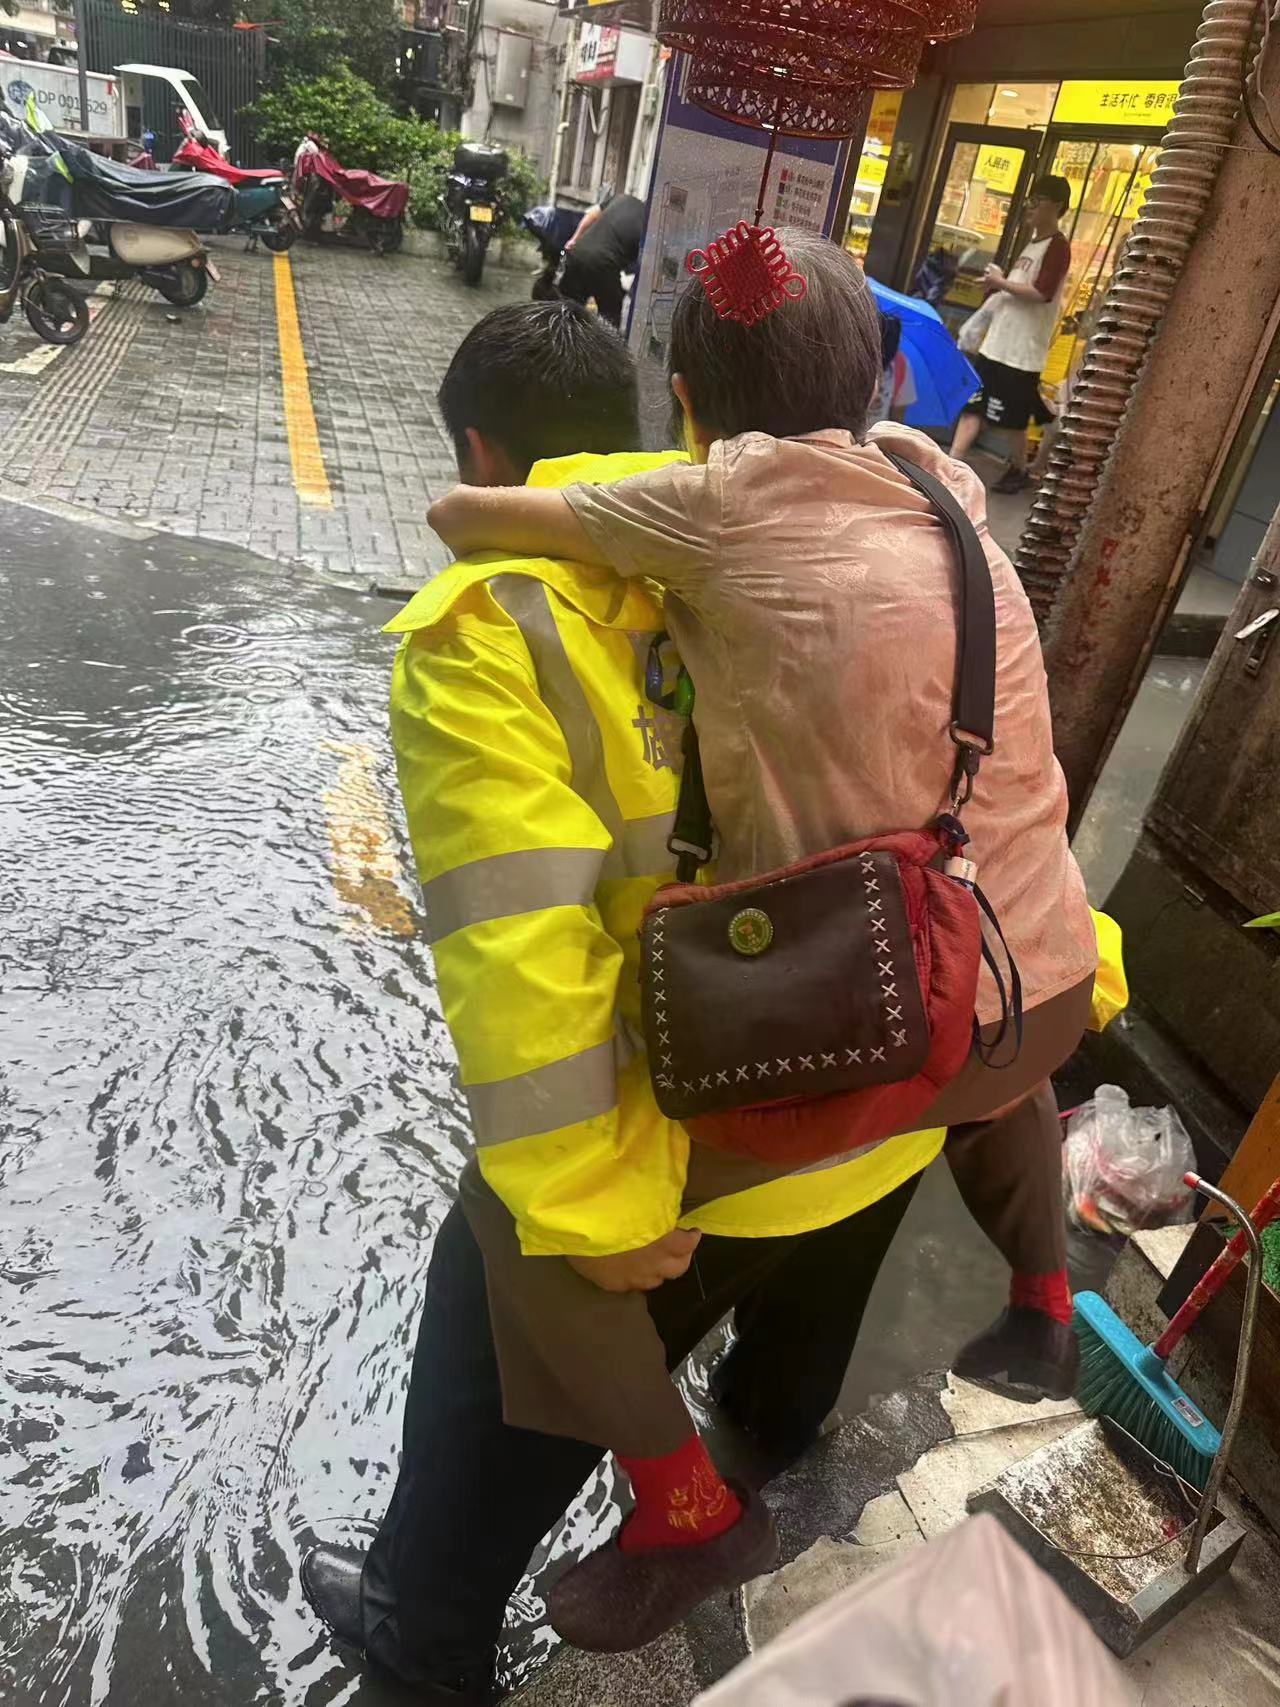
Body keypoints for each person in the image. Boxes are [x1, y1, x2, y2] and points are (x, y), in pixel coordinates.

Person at [299, 293, 1106, 1699]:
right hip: (918, 1056)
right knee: (793, 1354)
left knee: (504, 1289)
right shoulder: (931, 520)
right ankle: (779, 1444)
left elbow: (519, 955)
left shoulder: (497, 621)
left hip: (704, 1137)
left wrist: (586, 1205)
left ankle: (430, 1635)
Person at [949, 174, 1073, 495]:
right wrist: (997, 287)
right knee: (974, 406)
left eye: (1037, 201)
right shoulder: (1031, 243)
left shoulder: (1057, 246)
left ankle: (1020, 467)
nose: (1029, 207)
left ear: (1057, 206)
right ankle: (951, 464)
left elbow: (1042, 292)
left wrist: (1001, 283)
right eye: (1029, 200)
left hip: (1020, 354)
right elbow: (1018, 290)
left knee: (1012, 421)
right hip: (996, 346)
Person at [558, 183, 645, 326]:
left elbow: (592, 214)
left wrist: (574, 239)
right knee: (610, 319)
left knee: (565, 311)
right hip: (604, 264)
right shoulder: (649, 228)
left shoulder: (622, 198)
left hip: (578, 253)